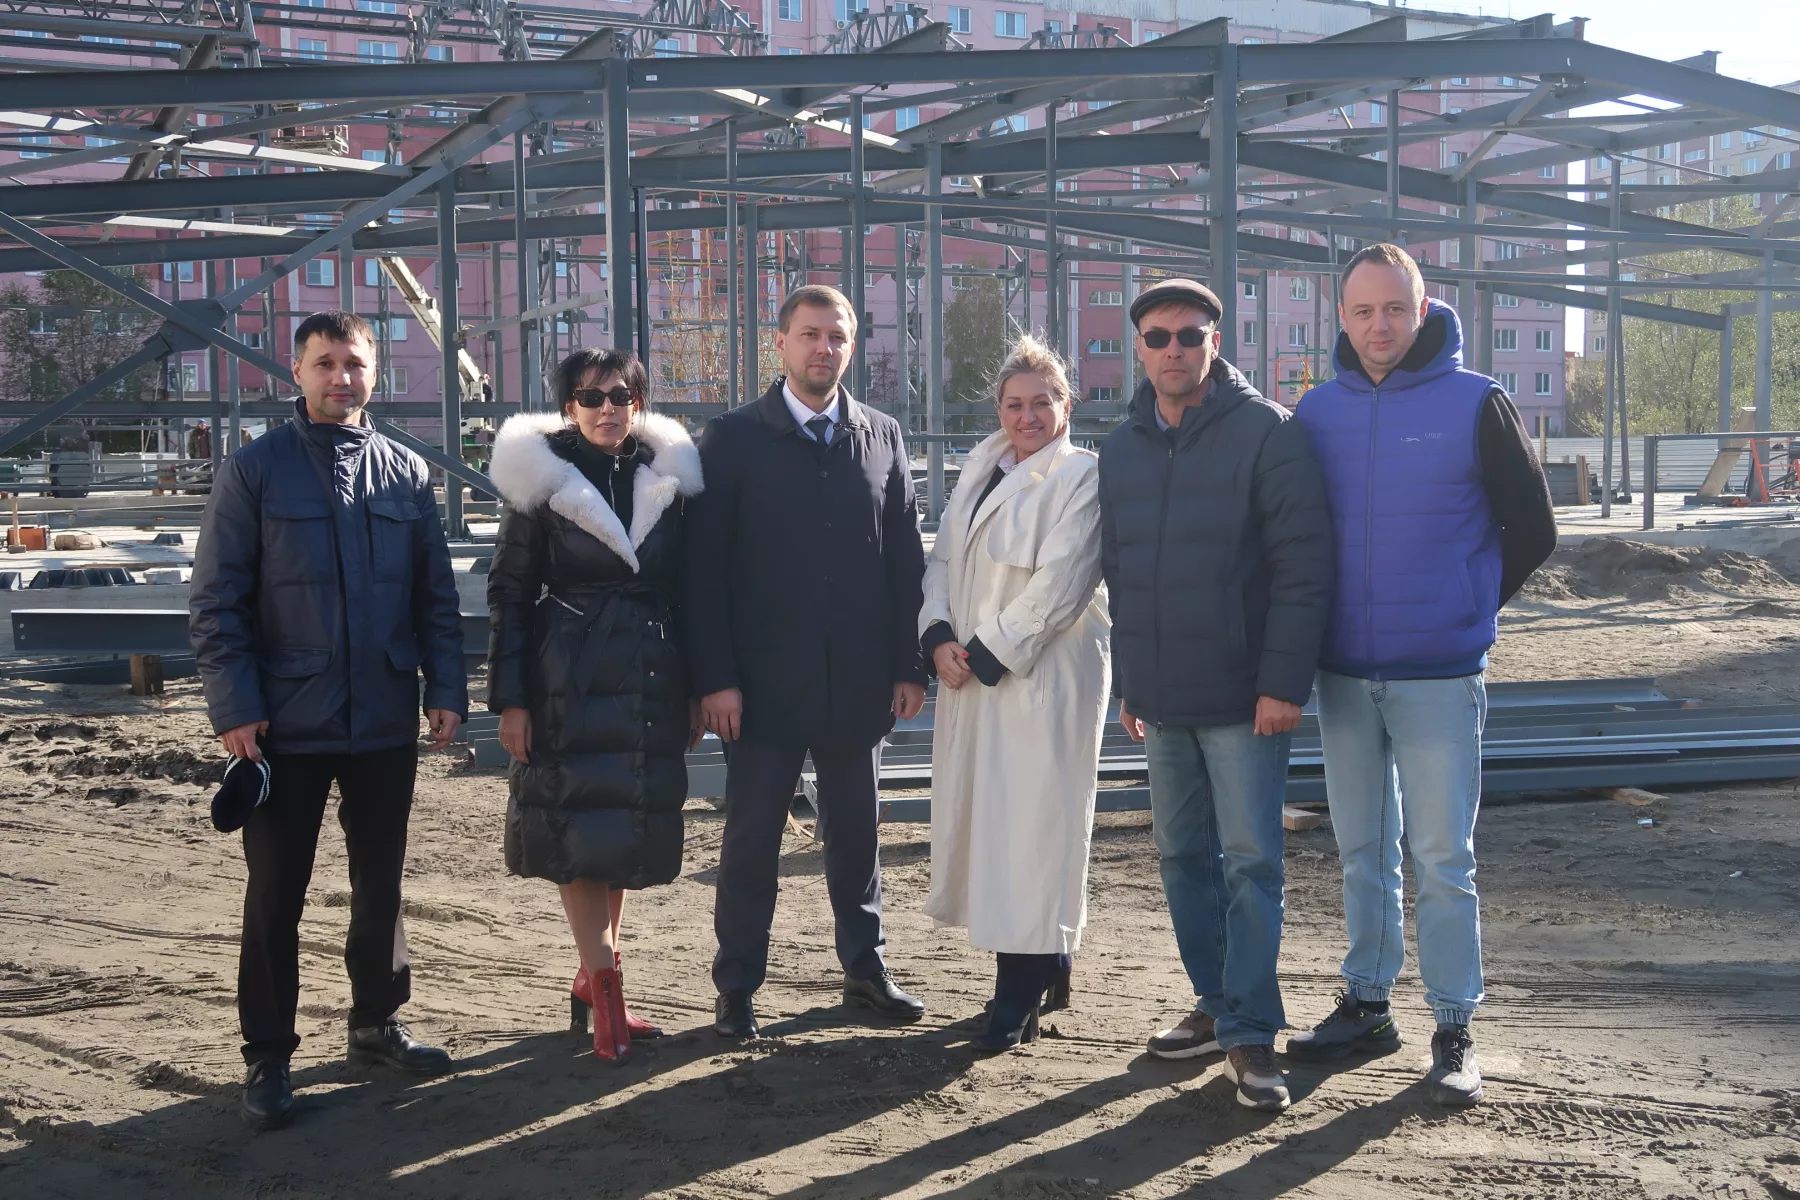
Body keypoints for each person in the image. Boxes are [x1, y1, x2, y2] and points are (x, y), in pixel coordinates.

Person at [1288, 245, 1556, 1107]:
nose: (1381, 327)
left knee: (1443, 858)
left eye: (1396, 309)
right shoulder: (1317, 412)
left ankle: (1453, 1027)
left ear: (1423, 306)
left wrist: (1463, 605)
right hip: (1344, 674)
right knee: (1362, 851)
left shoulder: (1476, 402)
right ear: (1341, 316)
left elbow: (1534, 529)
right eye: (1364, 312)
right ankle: (1367, 1004)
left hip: (1439, 674)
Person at [189, 310, 467, 1132]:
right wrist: (237, 707)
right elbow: (216, 601)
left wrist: (446, 689)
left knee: (381, 884)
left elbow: (435, 598)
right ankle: (268, 1055)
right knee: (277, 893)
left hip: (382, 715)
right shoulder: (256, 471)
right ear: (297, 371)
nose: (341, 377)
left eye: (353, 363)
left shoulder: (405, 472)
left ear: (373, 372)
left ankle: (376, 1024)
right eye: (325, 363)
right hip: (285, 724)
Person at [1098, 279, 1334, 1113]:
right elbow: (1122, 572)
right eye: (1158, 337)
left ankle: (1252, 1032)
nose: (1174, 350)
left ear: (1215, 342)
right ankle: (1215, 1001)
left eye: (1190, 335)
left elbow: (1304, 568)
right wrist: (1132, 680)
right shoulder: (1122, 447)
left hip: (1244, 698)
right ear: (1139, 347)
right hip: (1163, 697)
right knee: (1181, 859)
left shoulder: (1267, 433)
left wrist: (1282, 684)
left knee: (1251, 862)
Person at [684, 284, 928, 1039]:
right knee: (752, 841)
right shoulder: (731, 440)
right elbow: (702, 572)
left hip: (858, 681)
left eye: (838, 336)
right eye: (811, 334)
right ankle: (736, 987)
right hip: (761, 688)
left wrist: (908, 665)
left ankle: (866, 970)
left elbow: (904, 562)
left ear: (852, 346)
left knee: (857, 834)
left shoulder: (880, 436)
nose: (825, 348)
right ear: (781, 342)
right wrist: (716, 679)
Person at [485, 348, 704, 1065]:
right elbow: (509, 595)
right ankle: (607, 993)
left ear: (638, 402)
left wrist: (695, 686)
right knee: (579, 826)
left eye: (621, 395)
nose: (607, 408)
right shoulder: (542, 481)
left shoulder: (665, 476)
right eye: (591, 397)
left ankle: (593, 976)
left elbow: (690, 592)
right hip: (567, 680)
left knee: (621, 825)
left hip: (649, 674)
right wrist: (510, 702)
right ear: (568, 406)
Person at [919, 335, 1110, 1054]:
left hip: (1041, 678)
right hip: (974, 673)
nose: (1027, 417)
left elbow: (1064, 582)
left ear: (1068, 405)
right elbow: (942, 558)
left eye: (1042, 403)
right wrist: (937, 633)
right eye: (1014, 404)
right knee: (997, 829)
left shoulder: (1081, 476)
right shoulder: (982, 470)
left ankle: (1017, 993)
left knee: (1034, 831)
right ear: (997, 409)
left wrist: (984, 652)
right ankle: (1047, 965)